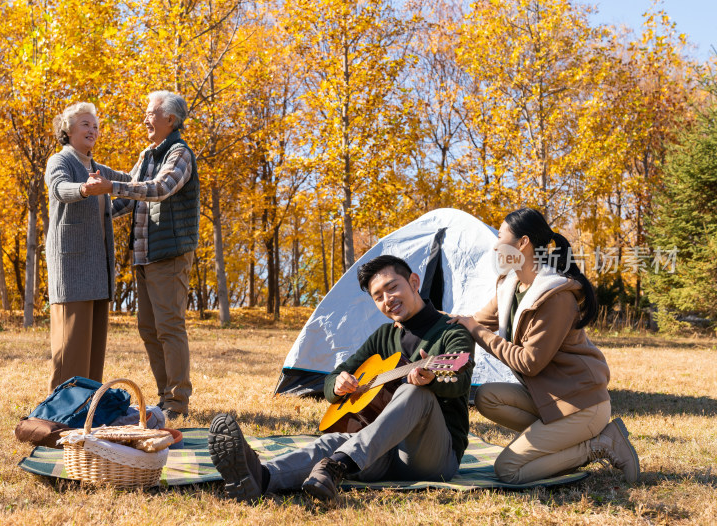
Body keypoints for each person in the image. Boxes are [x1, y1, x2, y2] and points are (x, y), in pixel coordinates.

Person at [207, 255, 475, 504]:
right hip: (379, 452)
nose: (387, 299)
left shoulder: (451, 332)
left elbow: (461, 383)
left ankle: (337, 465)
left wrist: (431, 381)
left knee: (416, 393)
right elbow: (336, 376)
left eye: (392, 287)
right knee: (331, 442)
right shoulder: (383, 336)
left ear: (414, 282)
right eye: (378, 296)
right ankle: (261, 477)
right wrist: (337, 383)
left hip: (431, 458)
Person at [447, 208, 640, 484]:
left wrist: (476, 330)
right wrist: (427, 318)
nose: (494, 244)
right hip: (552, 399)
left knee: (508, 471)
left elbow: (529, 362)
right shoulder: (511, 285)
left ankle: (599, 444)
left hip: (582, 405)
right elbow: (473, 321)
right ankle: (559, 442)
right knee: (487, 396)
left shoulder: (555, 296)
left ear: (522, 243)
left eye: (500, 236)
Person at [83, 91, 199, 423]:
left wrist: (112, 188)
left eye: (151, 113)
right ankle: (165, 397)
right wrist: (92, 212)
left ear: (170, 120)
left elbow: (159, 189)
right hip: (145, 255)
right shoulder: (148, 153)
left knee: (169, 327)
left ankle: (177, 401)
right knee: (148, 328)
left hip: (170, 253)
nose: (145, 119)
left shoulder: (179, 153)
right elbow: (130, 199)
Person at [45, 102, 132, 392]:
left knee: (93, 353)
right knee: (71, 349)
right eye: (85, 124)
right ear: (67, 130)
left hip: (99, 270)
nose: (92, 130)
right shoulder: (60, 161)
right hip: (72, 269)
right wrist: (83, 189)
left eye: (95, 126)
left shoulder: (98, 169)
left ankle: (88, 410)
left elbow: (131, 186)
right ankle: (59, 413)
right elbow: (59, 189)